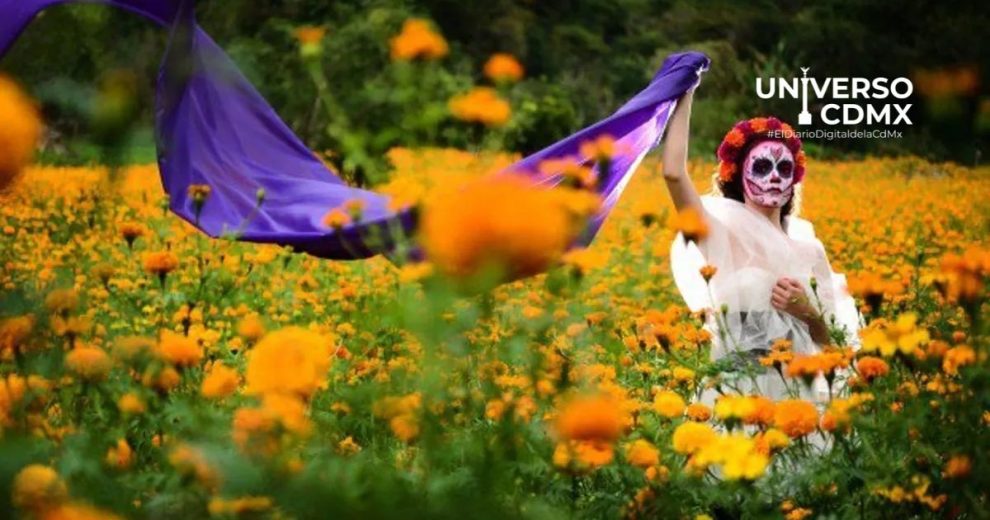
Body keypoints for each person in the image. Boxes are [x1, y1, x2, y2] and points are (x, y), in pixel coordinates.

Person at [660, 88, 862, 407]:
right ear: (738, 174)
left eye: (783, 169)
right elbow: (673, 173)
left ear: (794, 178)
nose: (772, 178)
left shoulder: (809, 249)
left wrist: (807, 312)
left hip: (796, 397)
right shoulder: (716, 230)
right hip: (733, 395)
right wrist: (685, 92)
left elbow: (834, 348)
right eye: (762, 167)